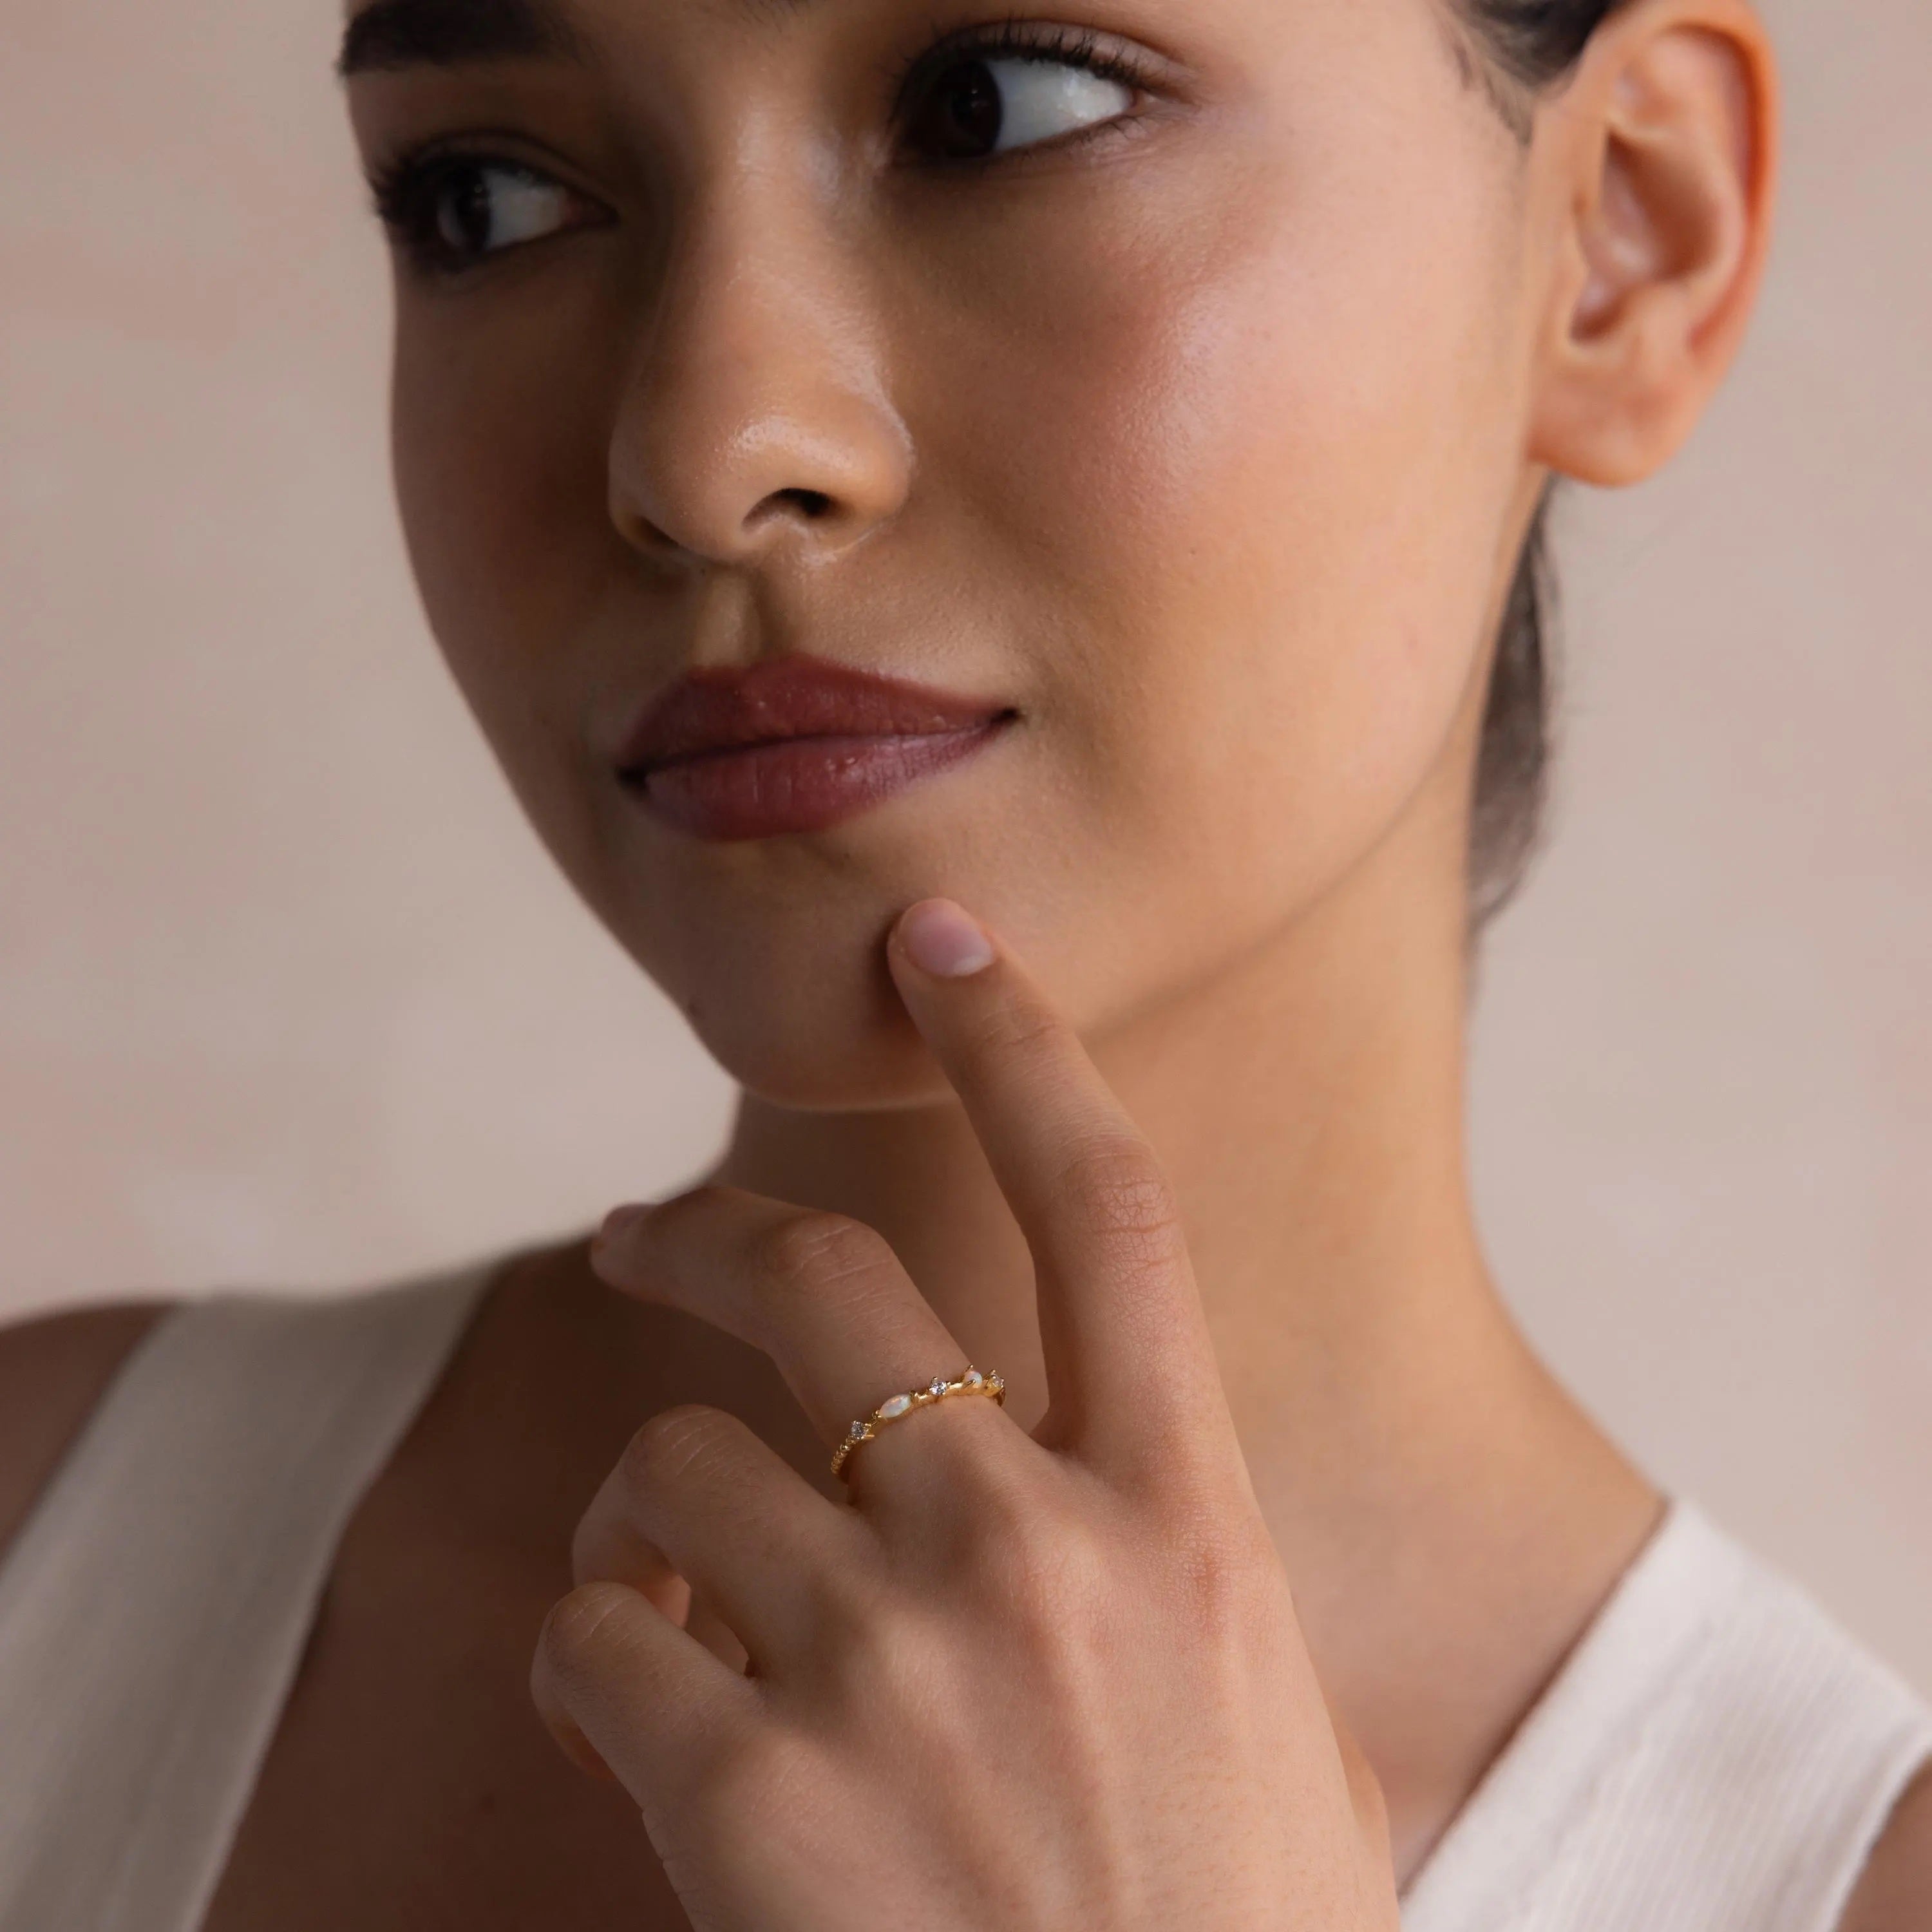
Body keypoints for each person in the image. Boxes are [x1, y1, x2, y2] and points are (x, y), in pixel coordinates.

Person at [0, 0, 1926, 1924]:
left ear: (1620, 242)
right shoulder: (44, 1543)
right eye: (486, 196)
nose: (703, 447)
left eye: (1002, 108)